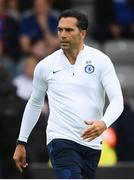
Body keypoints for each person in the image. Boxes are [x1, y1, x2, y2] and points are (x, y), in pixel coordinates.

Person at [13, 9, 124, 179]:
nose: (63, 34)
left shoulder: (101, 61)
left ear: (83, 33)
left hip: (92, 144)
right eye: (60, 30)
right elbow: (34, 103)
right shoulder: (45, 66)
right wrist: (21, 142)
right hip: (60, 139)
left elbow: (117, 100)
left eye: (69, 30)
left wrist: (104, 123)